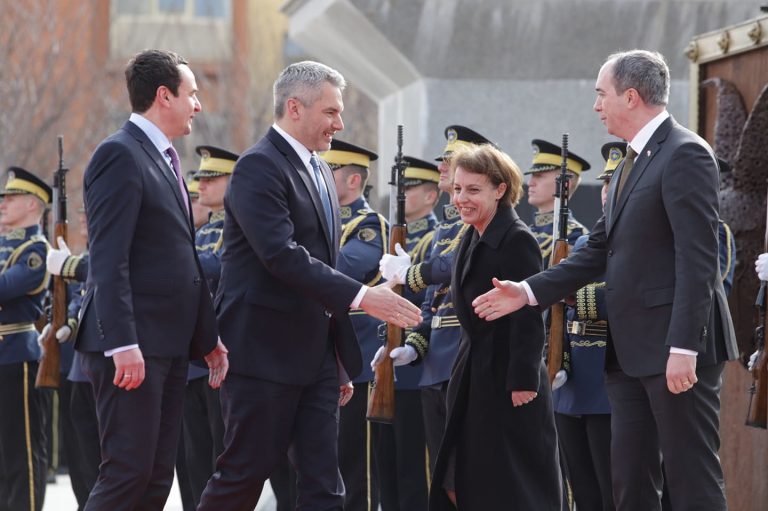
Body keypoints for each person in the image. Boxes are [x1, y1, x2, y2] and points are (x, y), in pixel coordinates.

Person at [472, 50, 738, 511]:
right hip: (631, 352)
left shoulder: (685, 153)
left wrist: (683, 348)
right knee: (630, 482)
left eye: (601, 94)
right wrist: (529, 291)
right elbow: (597, 249)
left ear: (630, 97)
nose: (596, 106)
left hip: (676, 349)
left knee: (690, 477)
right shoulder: (631, 163)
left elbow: (698, 260)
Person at [197, 60, 421, 510]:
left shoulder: (318, 169)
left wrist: (336, 355)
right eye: (331, 112)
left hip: (314, 356)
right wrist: (363, 296)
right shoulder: (258, 167)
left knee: (325, 482)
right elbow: (281, 255)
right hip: (263, 352)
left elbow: (325, 261)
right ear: (294, 107)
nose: (339, 123)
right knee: (243, 474)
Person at [75, 49, 229, 510]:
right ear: (164, 96)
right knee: (127, 472)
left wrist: (208, 337)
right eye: (192, 94)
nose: (197, 105)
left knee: (156, 477)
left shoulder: (163, 158)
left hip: (166, 345)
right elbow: (108, 257)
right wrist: (122, 342)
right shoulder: (119, 153)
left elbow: (183, 261)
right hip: (132, 346)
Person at [428, 143, 561, 510]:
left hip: (506, 383)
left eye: (473, 190)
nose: (460, 199)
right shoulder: (472, 234)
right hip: (473, 373)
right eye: (457, 189)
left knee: (510, 484)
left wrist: (522, 380)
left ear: (500, 190)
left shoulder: (516, 239)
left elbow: (530, 314)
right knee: (463, 477)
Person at [379, 125, 494, 475]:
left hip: (465, 355)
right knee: (440, 476)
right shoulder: (444, 230)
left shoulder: (481, 222)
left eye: (450, 159)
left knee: (472, 472)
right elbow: (432, 303)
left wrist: (409, 272)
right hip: (436, 363)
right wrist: (413, 345)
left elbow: (453, 267)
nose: (442, 167)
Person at [552, 141, 625, 511]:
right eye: (605, 183)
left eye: (617, 181)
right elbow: (558, 313)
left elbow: (629, 296)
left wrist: (574, 295)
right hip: (573, 384)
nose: (608, 191)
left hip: (609, 383)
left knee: (612, 490)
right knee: (581, 490)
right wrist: (559, 362)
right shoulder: (583, 242)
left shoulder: (640, 241)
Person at [323, 138, 386, 511]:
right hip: (326, 355)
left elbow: (343, 269)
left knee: (355, 463)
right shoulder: (323, 220)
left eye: (329, 171)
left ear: (352, 181)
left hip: (357, 359)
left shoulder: (369, 226)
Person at [374, 155, 440, 511]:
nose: (403, 194)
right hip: (389, 360)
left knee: (416, 472)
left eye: (411, 188)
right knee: (388, 469)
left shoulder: (434, 240)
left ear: (431, 195)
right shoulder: (393, 237)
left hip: (418, 366)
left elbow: (428, 298)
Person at [182, 145, 237, 507]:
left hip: (226, 350)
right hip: (195, 354)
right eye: (200, 177)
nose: (202, 184)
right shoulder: (202, 231)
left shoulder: (238, 224)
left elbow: (216, 268)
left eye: (211, 178)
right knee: (194, 457)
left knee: (223, 453)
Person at [0, 167, 52, 511]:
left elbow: (4, 287)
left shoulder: (36, 250)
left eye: (12, 197)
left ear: (33, 204)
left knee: (22, 453)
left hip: (17, 359)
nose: (3, 203)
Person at [526, 138, 591, 264]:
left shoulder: (575, 235)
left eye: (539, 176)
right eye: (531, 176)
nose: (530, 183)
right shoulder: (528, 231)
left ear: (565, 184)